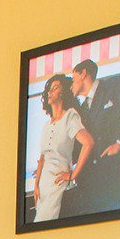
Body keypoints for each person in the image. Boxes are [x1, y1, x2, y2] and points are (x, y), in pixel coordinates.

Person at [63, 59, 120, 217]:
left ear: (83, 73)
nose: (71, 85)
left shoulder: (114, 86)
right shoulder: (80, 109)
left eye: (73, 78)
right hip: (88, 184)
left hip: (114, 175)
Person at [31, 74, 94, 222]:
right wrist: (36, 185)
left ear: (63, 92)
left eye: (55, 88)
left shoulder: (70, 117)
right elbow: (43, 158)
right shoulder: (46, 126)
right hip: (43, 187)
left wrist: (73, 174)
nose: (50, 92)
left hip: (58, 185)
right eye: (49, 89)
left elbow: (88, 142)